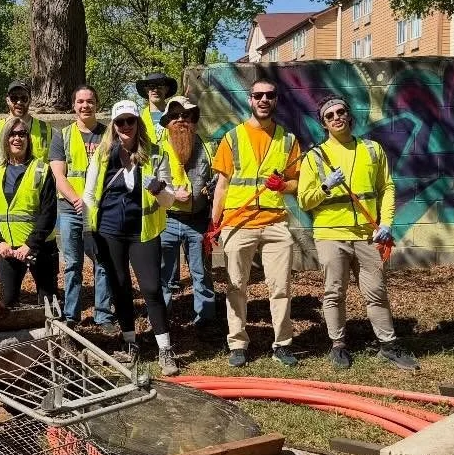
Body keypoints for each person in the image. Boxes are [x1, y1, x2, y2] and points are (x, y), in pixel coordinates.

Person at [297, 96, 418, 371]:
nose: (337, 117)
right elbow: (305, 200)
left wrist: (386, 223)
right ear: (324, 124)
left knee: (376, 290)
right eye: (330, 116)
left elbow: (387, 187)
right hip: (330, 233)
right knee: (334, 292)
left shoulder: (372, 149)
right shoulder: (315, 157)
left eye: (341, 112)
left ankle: (388, 345)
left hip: (367, 234)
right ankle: (338, 345)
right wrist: (326, 186)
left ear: (349, 116)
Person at [209, 78, 302, 369]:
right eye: (258, 95)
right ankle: (237, 343)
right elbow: (221, 186)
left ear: (276, 100)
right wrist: (215, 224)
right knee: (236, 285)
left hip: (275, 223)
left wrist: (283, 185)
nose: (264, 100)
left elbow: (297, 183)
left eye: (270, 95)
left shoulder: (288, 139)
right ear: (250, 100)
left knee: (281, 286)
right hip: (239, 221)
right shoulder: (233, 138)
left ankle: (282, 344)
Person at [83, 99, 179, 376]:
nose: (126, 126)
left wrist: (160, 189)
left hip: (144, 230)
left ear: (139, 124)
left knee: (150, 288)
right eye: (120, 121)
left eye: (131, 121)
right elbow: (89, 195)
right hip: (109, 230)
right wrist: (89, 231)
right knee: (120, 287)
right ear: (113, 126)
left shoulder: (156, 154)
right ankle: (129, 344)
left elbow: (169, 201)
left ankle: (165, 348)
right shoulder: (102, 156)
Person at [49, 85, 116, 331]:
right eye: (80, 101)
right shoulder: (62, 135)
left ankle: (103, 316)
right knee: (73, 264)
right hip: (70, 210)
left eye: (89, 101)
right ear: (74, 105)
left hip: (101, 212)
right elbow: (59, 175)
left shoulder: (109, 134)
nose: (85, 105)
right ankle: (71, 315)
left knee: (103, 262)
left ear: (97, 104)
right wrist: (78, 201)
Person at [152, 96, 217, 328]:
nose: (181, 120)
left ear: (194, 119)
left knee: (202, 273)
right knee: (164, 275)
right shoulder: (157, 149)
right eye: (175, 116)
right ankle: (162, 320)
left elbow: (218, 179)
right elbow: (149, 180)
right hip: (167, 220)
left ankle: (206, 320)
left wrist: (212, 192)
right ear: (167, 121)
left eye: (186, 115)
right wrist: (170, 194)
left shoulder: (208, 147)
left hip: (198, 220)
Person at [0, 116, 58, 308]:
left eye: (22, 134)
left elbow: (48, 214)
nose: (17, 138)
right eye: (12, 134)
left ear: (28, 139)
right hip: (8, 250)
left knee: (48, 304)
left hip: (39, 248)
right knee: (6, 303)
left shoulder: (41, 170)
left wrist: (30, 245)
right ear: (5, 139)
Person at [0, 80, 51, 178]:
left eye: (24, 98)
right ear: (7, 100)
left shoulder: (46, 130)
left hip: (36, 191)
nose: (19, 102)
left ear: (30, 100)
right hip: (1, 190)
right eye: (14, 98)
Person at [135, 71, 178, 139]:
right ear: (146, 90)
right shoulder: (138, 118)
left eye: (160, 86)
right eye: (151, 86)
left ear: (166, 89)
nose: (155, 90)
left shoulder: (178, 116)